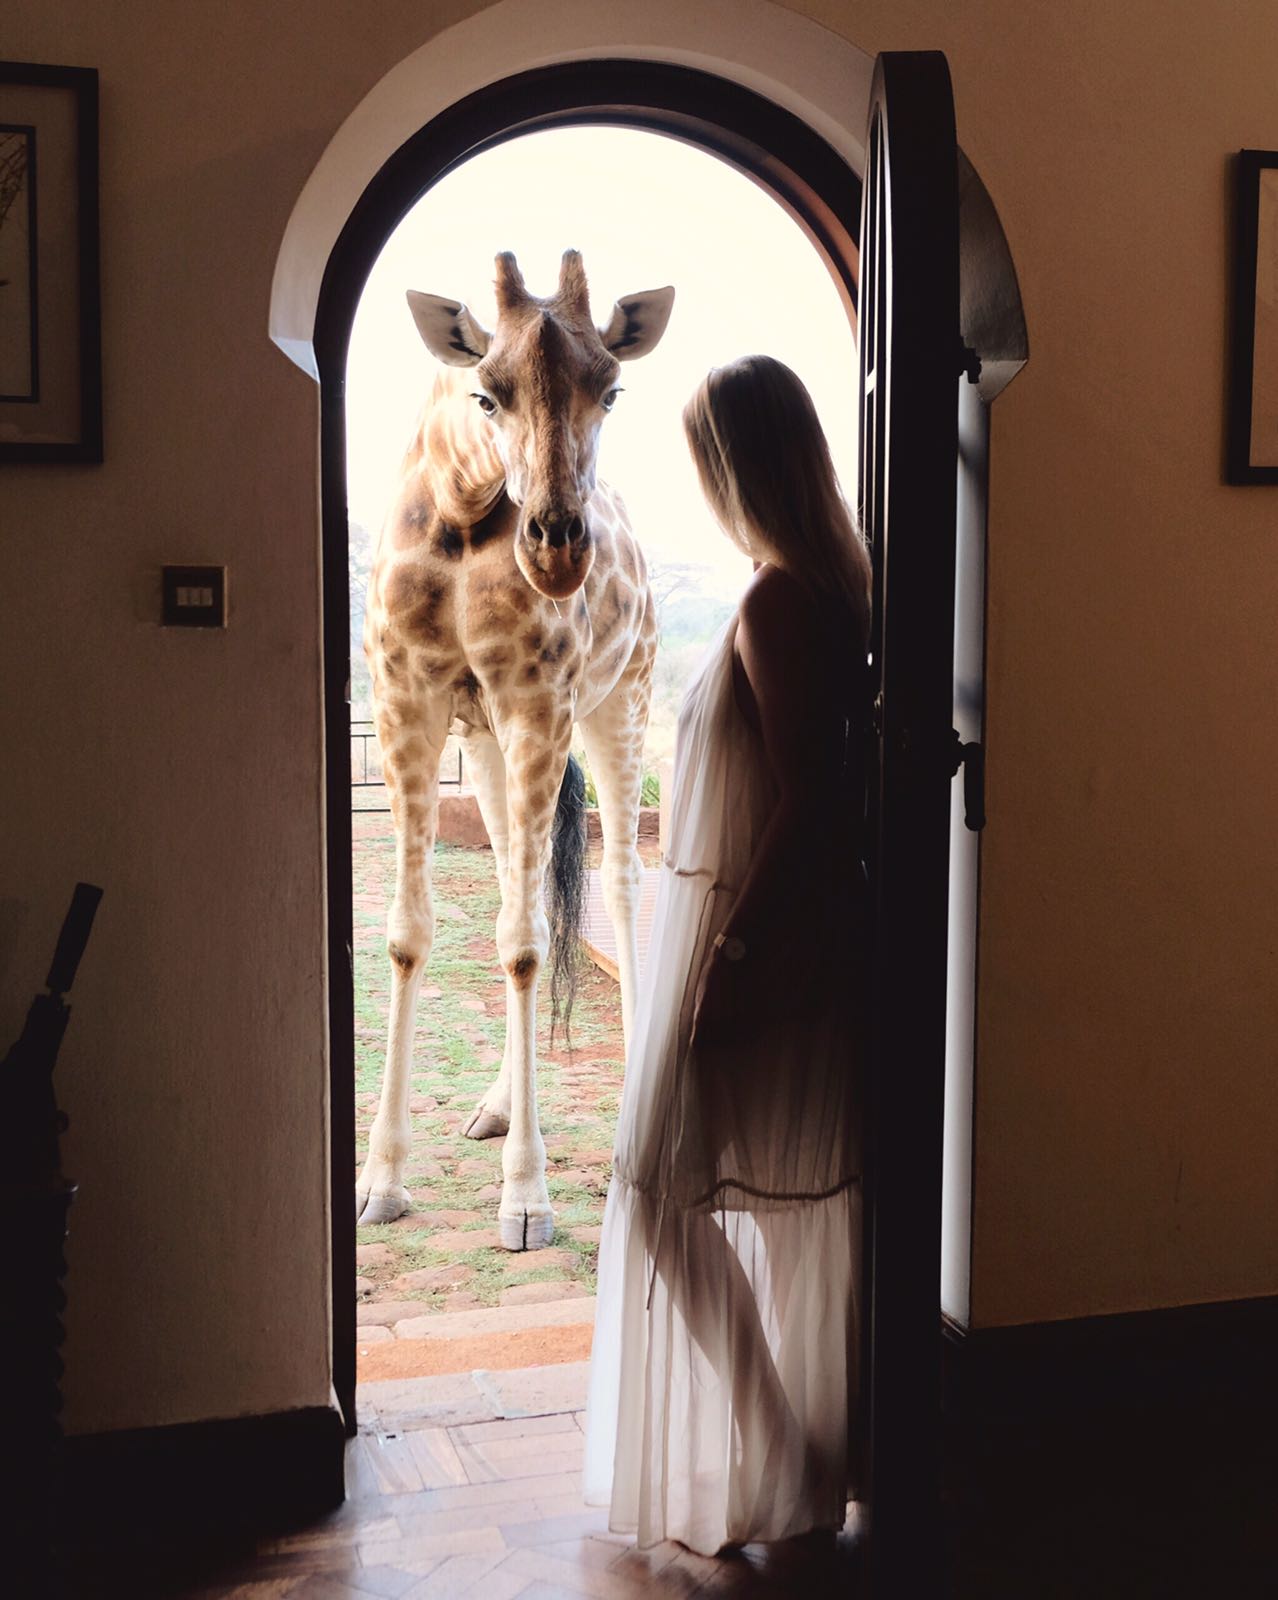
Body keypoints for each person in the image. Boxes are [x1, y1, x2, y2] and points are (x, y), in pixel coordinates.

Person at [583, 354, 873, 1556]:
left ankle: (788, 1452)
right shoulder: (819, 585)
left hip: (760, 940)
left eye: (705, 454)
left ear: (736, 466)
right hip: (768, 933)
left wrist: (731, 958)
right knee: (747, 1194)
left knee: (666, 1193)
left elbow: (807, 804)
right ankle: (799, 1453)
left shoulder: (774, 604)